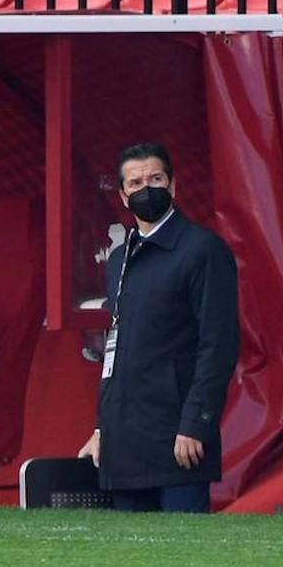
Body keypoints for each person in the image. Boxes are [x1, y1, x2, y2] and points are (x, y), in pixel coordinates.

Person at [77, 143, 240, 513]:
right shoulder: (120, 259)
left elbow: (219, 345)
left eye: (155, 179)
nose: (146, 188)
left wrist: (196, 423)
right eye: (135, 183)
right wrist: (103, 429)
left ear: (173, 186)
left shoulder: (203, 250)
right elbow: (116, 347)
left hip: (178, 442)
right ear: (122, 195)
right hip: (124, 445)